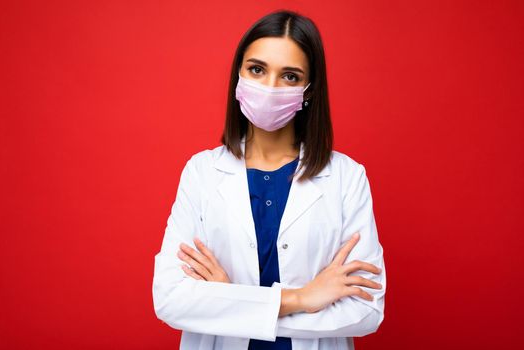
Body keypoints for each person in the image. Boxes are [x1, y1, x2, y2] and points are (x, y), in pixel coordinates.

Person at [152, 9, 386, 350]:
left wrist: (229, 301)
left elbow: (365, 310)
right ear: (238, 74)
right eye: (257, 70)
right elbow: (171, 299)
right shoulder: (201, 173)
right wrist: (303, 297)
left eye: (289, 76)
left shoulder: (347, 178)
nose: (270, 87)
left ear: (308, 89)